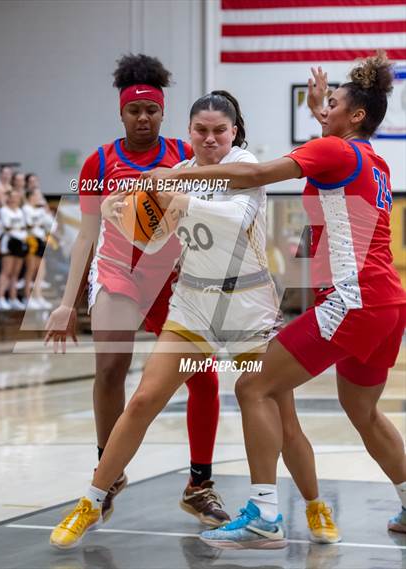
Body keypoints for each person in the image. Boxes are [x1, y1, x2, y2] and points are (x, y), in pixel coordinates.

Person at [50, 90, 339, 550]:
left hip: (247, 303)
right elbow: (150, 236)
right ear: (188, 133)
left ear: (234, 132)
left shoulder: (247, 167)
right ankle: (91, 500)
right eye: (200, 131)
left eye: (218, 131)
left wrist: (182, 203)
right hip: (193, 303)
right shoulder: (179, 173)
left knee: (283, 418)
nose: (209, 139)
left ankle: (314, 503)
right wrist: (118, 213)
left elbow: (234, 216)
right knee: (144, 398)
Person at [139, 52, 406, 548]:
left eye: (333, 104)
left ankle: (264, 516)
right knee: (362, 408)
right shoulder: (373, 159)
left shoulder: (335, 152)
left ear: (356, 117)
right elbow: (329, 144)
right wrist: (318, 110)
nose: (324, 109)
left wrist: (175, 178)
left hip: (354, 301)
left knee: (252, 387)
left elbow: (254, 174)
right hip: (388, 305)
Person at [45, 54, 225, 529]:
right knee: (109, 370)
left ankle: (199, 485)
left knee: (202, 377)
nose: (143, 119)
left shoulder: (181, 157)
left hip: (172, 280)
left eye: (151, 111)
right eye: (134, 111)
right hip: (118, 275)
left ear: (163, 112)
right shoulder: (97, 161)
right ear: (121, 113)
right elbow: (85, 233)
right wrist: (66, 303)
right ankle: (110, 470)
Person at [0, 190, 28, 310]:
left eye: (16, 197)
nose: (14, 199)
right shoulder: (3, 210)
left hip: (20, 242)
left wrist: (21, 233)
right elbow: (7, 226)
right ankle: (0, 298)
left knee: (16, 272)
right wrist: (19, 231)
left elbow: (24, 226)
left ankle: (13, 298)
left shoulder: (20, 211)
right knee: (6, 271)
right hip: (9, 242)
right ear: (8, 198)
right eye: (12, 197)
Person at [23, 188, 53, 309]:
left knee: (41, 271)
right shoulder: (26, 208)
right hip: (31, 240)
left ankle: (38, 296)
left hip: (41, 240)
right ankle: (27, 296)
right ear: (30, 197)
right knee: (31, 270)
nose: (39, 198)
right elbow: (29, 224)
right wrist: (40, 222)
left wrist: (45, 211)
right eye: (37, 195)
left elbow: (50, 224)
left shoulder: (40, 210)